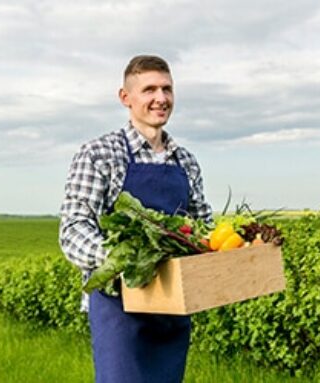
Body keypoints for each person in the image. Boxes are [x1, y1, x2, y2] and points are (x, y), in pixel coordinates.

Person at [59, 55, 213, 383]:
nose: (161, 98)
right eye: (149, 89)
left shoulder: (186, 160)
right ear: (125, 98)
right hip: (120, 308)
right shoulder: (99, 153)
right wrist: (128, 262)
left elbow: (201, 226)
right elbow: (74, 228)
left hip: (172, 307)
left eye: (167, 89)